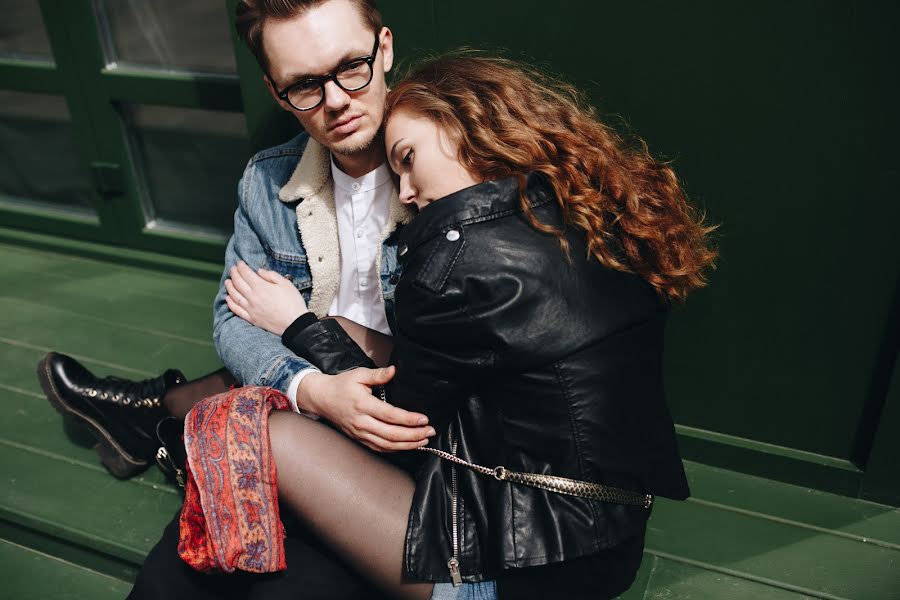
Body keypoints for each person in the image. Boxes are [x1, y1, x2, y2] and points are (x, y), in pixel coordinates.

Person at [217, 54, 717, 600]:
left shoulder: (462, 256)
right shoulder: (583, 208)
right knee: (335, 324)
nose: (405, 192)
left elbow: (397, 427)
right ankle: (159, 409)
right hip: (609, 537)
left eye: (407, 160)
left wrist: (294, 327)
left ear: (463, 125)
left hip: (527, 572)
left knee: (270, 432)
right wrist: (319, 332)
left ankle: (167, 416)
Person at [36, 1, 431, 598]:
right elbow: (234, 320)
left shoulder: (451, 164)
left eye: (352, 66)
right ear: (275, 91)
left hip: (403, 446)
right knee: (168, 580)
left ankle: (154, 417)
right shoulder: (268, 181)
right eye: (304, 84)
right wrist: (311, 388)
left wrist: (299, 327)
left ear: (386, 48)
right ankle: (158, 420)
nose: (336, 101)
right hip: (304, 413)